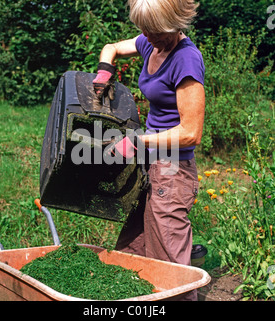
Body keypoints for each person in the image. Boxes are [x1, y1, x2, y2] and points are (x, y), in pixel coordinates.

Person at [93, 0, 205, 301]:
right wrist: (105, 71)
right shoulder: (151, 43)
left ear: (174, 21)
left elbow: (191, 132)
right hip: (149, 165)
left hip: (172, 171)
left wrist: (138, 141)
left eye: (155, 29)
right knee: (133, 250)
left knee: (169, 265)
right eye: (143, 28)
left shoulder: (186, 60)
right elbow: (111, 48)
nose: (147, 35)